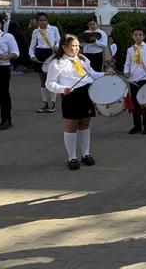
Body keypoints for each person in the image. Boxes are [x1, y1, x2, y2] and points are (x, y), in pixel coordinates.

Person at [45, 35, 109, 171]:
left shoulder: (83, 59)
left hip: (86, 93)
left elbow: (92, 74)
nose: (76, 48)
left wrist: (105, 74)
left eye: (78, 45)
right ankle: (72, 157)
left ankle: (86, 154)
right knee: (71, 125)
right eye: (73, 46)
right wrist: (63, 89)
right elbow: (49, 83)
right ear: (64, 47)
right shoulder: (57, 63)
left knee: (85, 124)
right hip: (71, 95)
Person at [124, 27, 146, 135]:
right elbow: (127, 63)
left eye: (140, 34)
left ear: (143, 36)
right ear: (132, 36)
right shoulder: (130, 50)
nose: (138, 36)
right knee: (135, 103)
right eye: (135, 34)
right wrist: (126, 72)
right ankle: (137, 125)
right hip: (134, 80)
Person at [29, 12, 60, 113]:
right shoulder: (35, 32)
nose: (43, 22)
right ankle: (45, 102)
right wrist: (32, 56)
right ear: (37, 22)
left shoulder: (54, 29)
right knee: (42, 79)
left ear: (48, 21)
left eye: (44, 20)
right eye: (40, 20)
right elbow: (32, 46)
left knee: (52, 78)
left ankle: (53, 103)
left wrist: (57, 47)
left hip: (51, 53)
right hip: (40, 54)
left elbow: (59, 41)